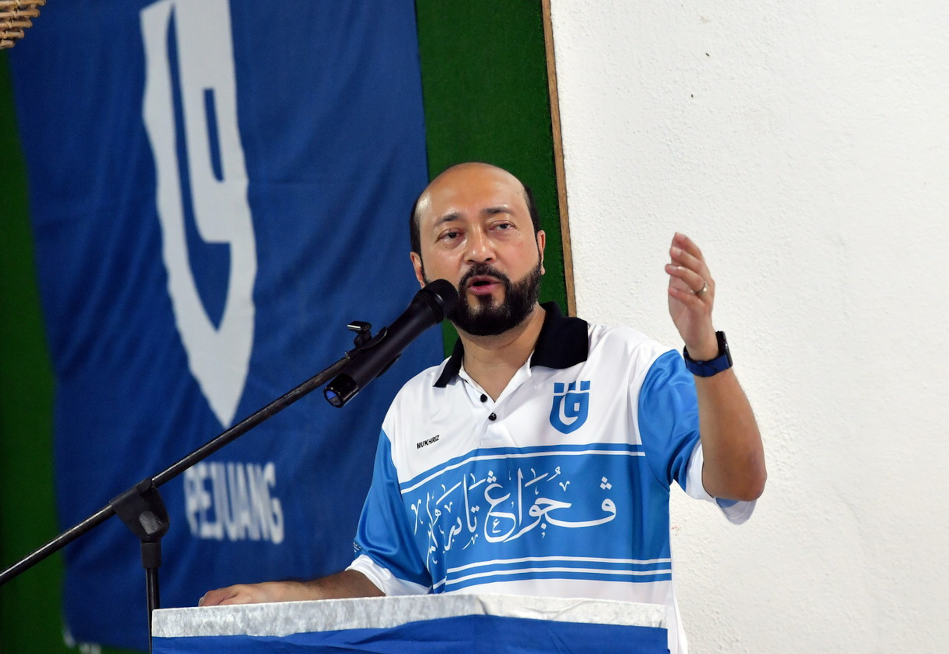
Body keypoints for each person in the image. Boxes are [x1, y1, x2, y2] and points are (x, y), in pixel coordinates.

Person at [200, 162, 766, 653]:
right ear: (422, 273)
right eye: (451, 235)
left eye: (500, 226)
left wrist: (705, 353)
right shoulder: (411, 412)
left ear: (540, 250)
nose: (479, 250)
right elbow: (386, 580)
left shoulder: (628, 366)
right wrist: (280, 600)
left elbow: (740, 482)